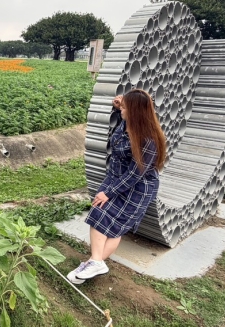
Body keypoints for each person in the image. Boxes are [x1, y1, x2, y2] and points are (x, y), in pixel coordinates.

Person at [67, 89, 167, 284]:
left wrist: (109, 192)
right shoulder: (127, 124)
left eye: (125, 107)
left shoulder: (148, 140)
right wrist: (118, 108)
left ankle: (94, 263)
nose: (121, 108)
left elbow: (135, 174)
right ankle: (95, 262)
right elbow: (117, 135)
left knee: (115, 225)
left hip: (138, 188)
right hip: (116, 178)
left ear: (135, 111)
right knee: (100, 215)